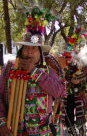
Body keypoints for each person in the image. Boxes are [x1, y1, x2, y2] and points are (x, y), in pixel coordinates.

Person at [0, 7, 65, 136]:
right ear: (21, 50)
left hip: (42, 132)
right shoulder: (9, 68)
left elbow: (59, 92)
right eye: (26, 48)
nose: (29, 51)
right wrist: (1, 122)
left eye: (34, 48)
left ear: (40, 53)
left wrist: (34, 72)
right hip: (13, 131)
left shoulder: (48, 71)